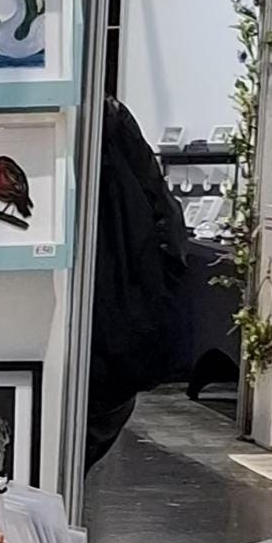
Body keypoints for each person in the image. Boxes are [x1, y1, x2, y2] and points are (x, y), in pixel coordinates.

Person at [84, 95, 190, 467]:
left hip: (105, 316)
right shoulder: (109, 118)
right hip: (119, 324)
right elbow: (164, 216)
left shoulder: (104, 120)